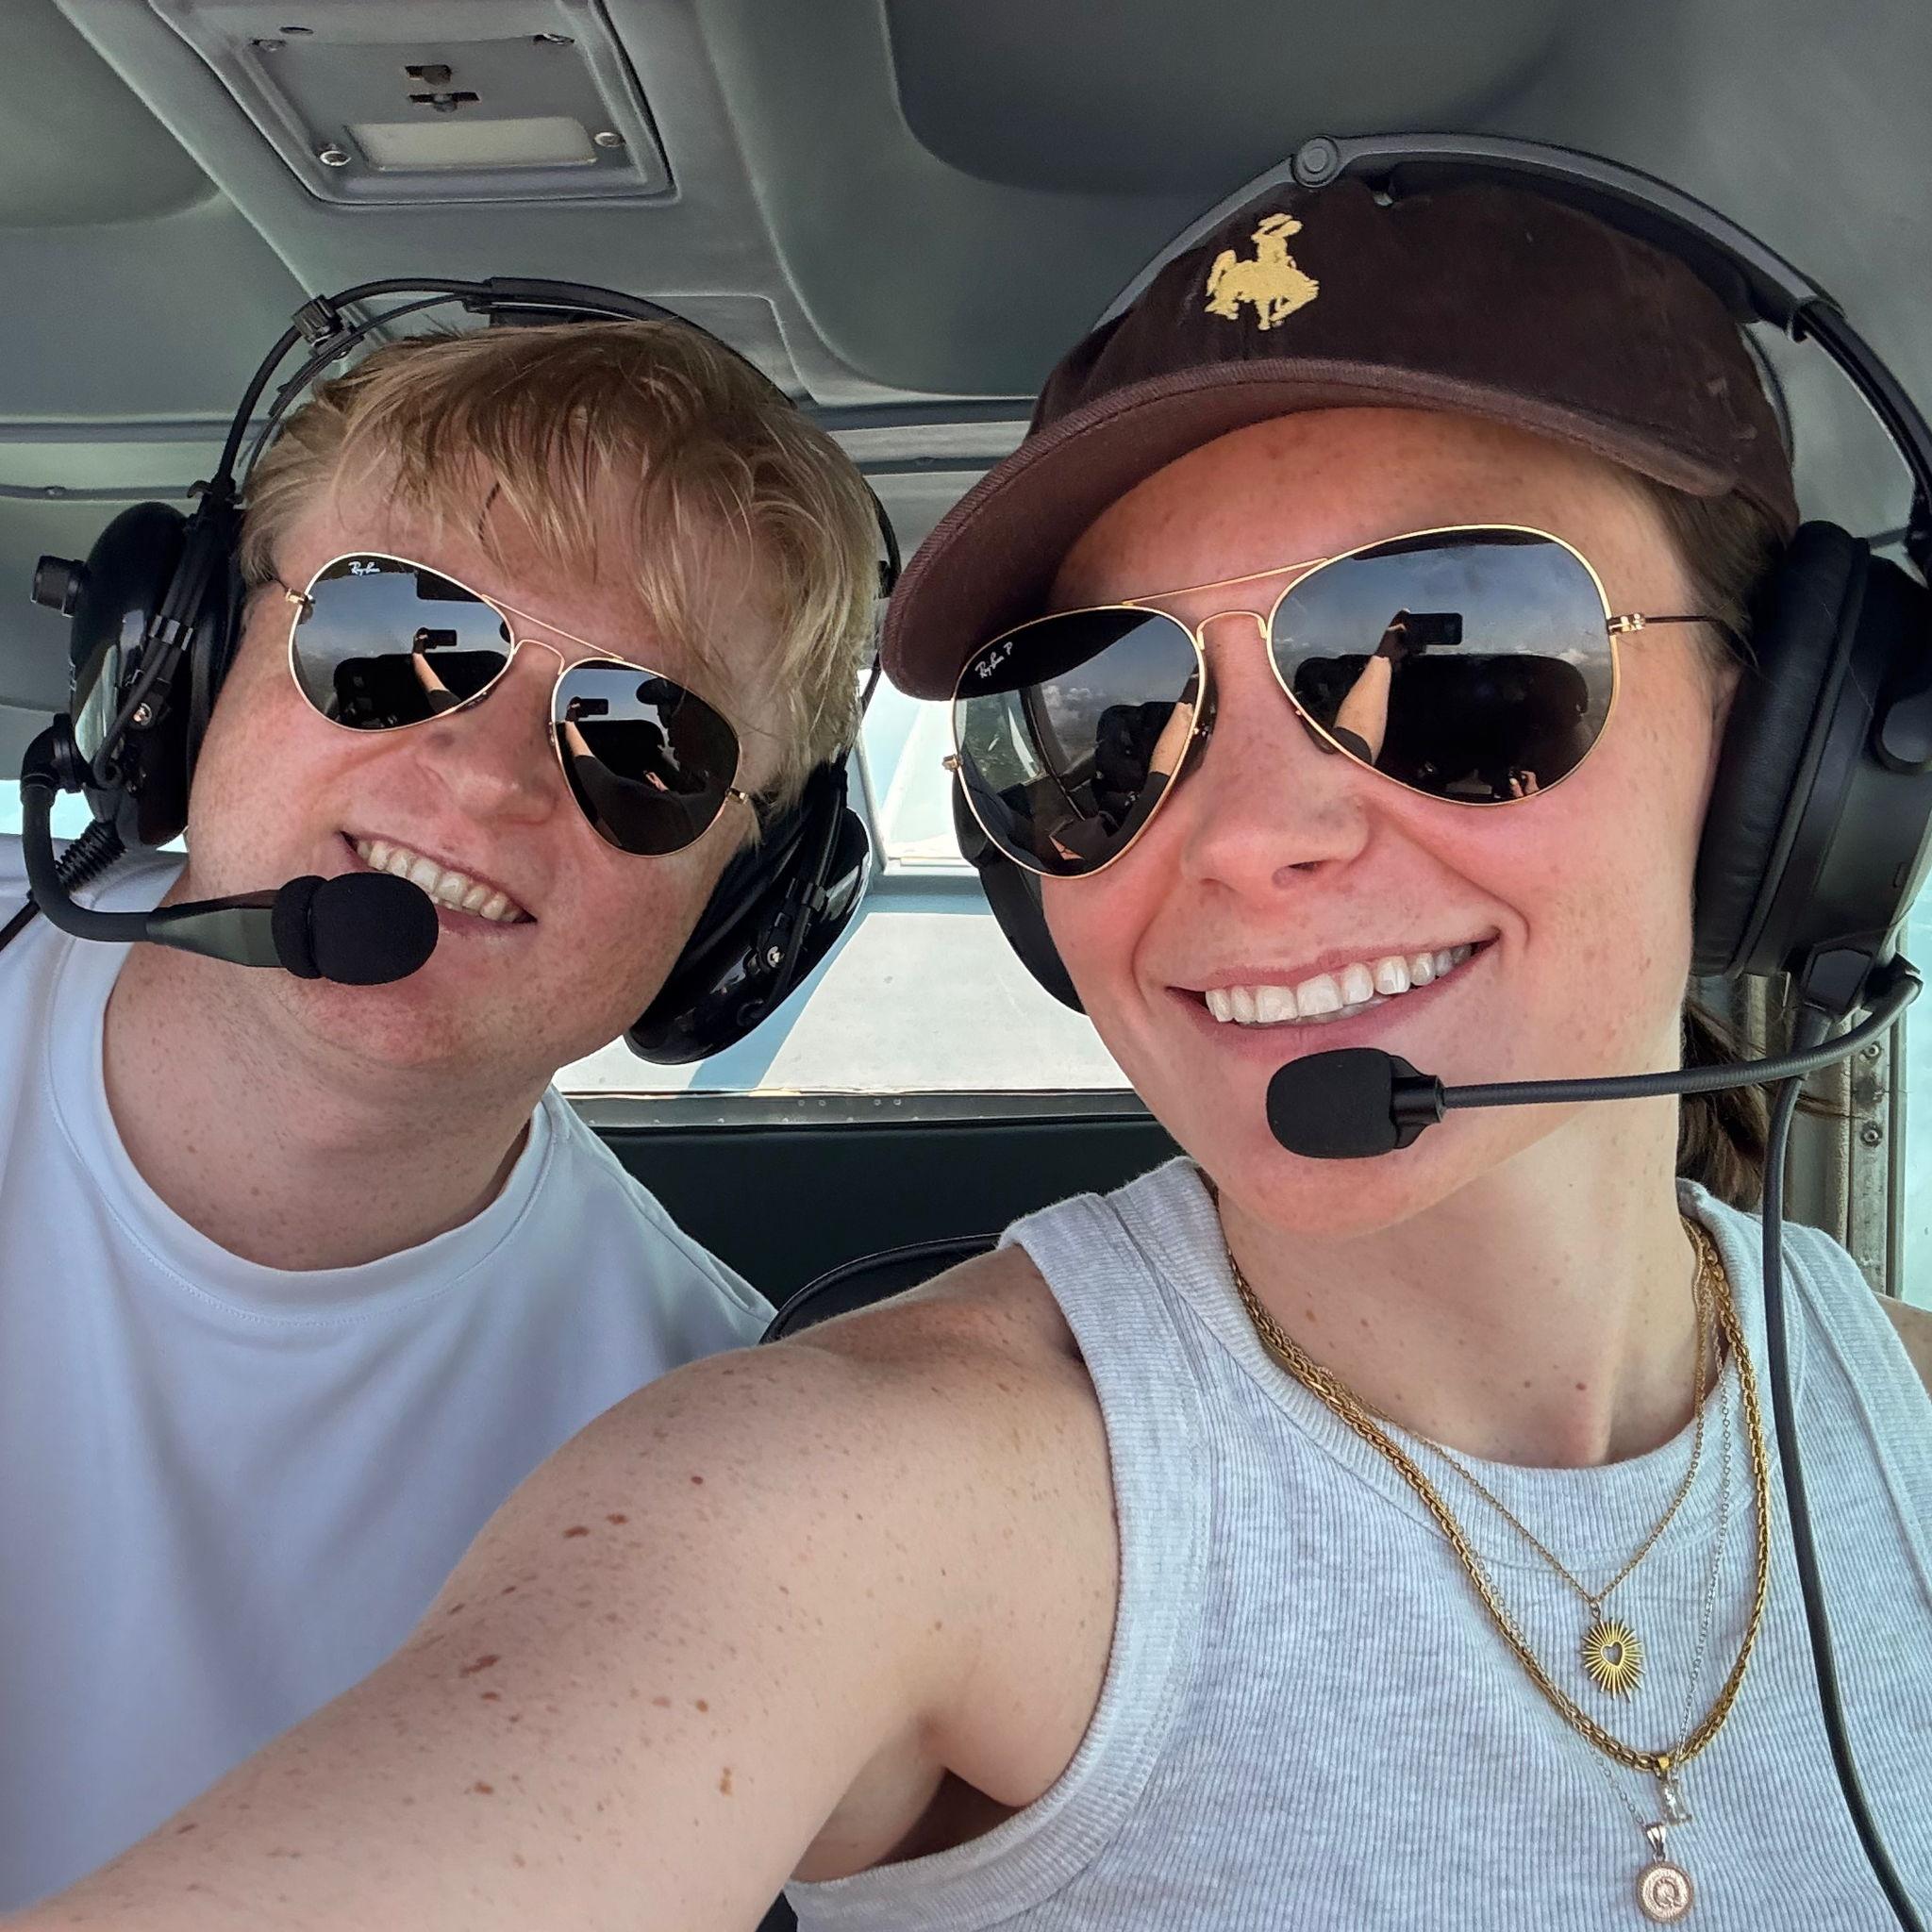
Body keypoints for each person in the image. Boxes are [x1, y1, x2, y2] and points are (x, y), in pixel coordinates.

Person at [12, 180, 1932, 1932]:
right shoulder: (818, 1483)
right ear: (174, 671)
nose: (1247, 832)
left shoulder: (661, 1334)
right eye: (1111, 709)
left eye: (1451, 663)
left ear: (1793, 767)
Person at [0, 317, 882, 1906]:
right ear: (183, 668)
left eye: (642, 740)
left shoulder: (698, 1443)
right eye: (400, 637)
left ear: (742, 903)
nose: (484, 777)